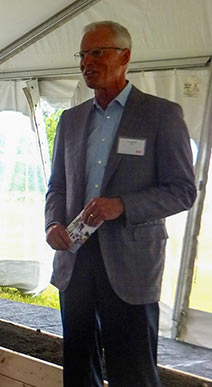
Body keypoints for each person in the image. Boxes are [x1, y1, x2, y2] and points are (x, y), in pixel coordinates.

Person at [45, 21, 196, 387]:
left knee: (133, 369)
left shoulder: (161, 115)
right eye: (83, 54)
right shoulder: (71, 119)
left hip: (131, 264)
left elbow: (182, 190)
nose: (86, 62)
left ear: (124, 57)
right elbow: (57, 186)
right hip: (76, 258)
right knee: (78, 365)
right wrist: (52, 225)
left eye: (97, 52)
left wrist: (122, 205)